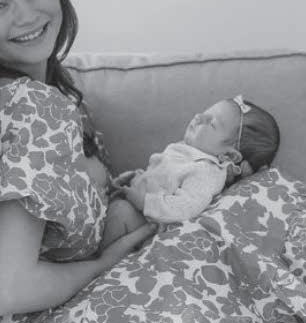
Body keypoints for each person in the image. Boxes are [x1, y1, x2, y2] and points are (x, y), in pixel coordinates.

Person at [111, 95, 280, 227]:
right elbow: (164, 179)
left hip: (150, 224)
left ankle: (104, 257)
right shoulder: (187, 151)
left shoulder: (206, 171)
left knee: (120, 213)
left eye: (211, 123)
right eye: (205, 112)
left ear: (228, 156)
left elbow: (185, 207)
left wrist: (145, 203)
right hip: (139, 209)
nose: (199, 117)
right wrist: (137, 177)